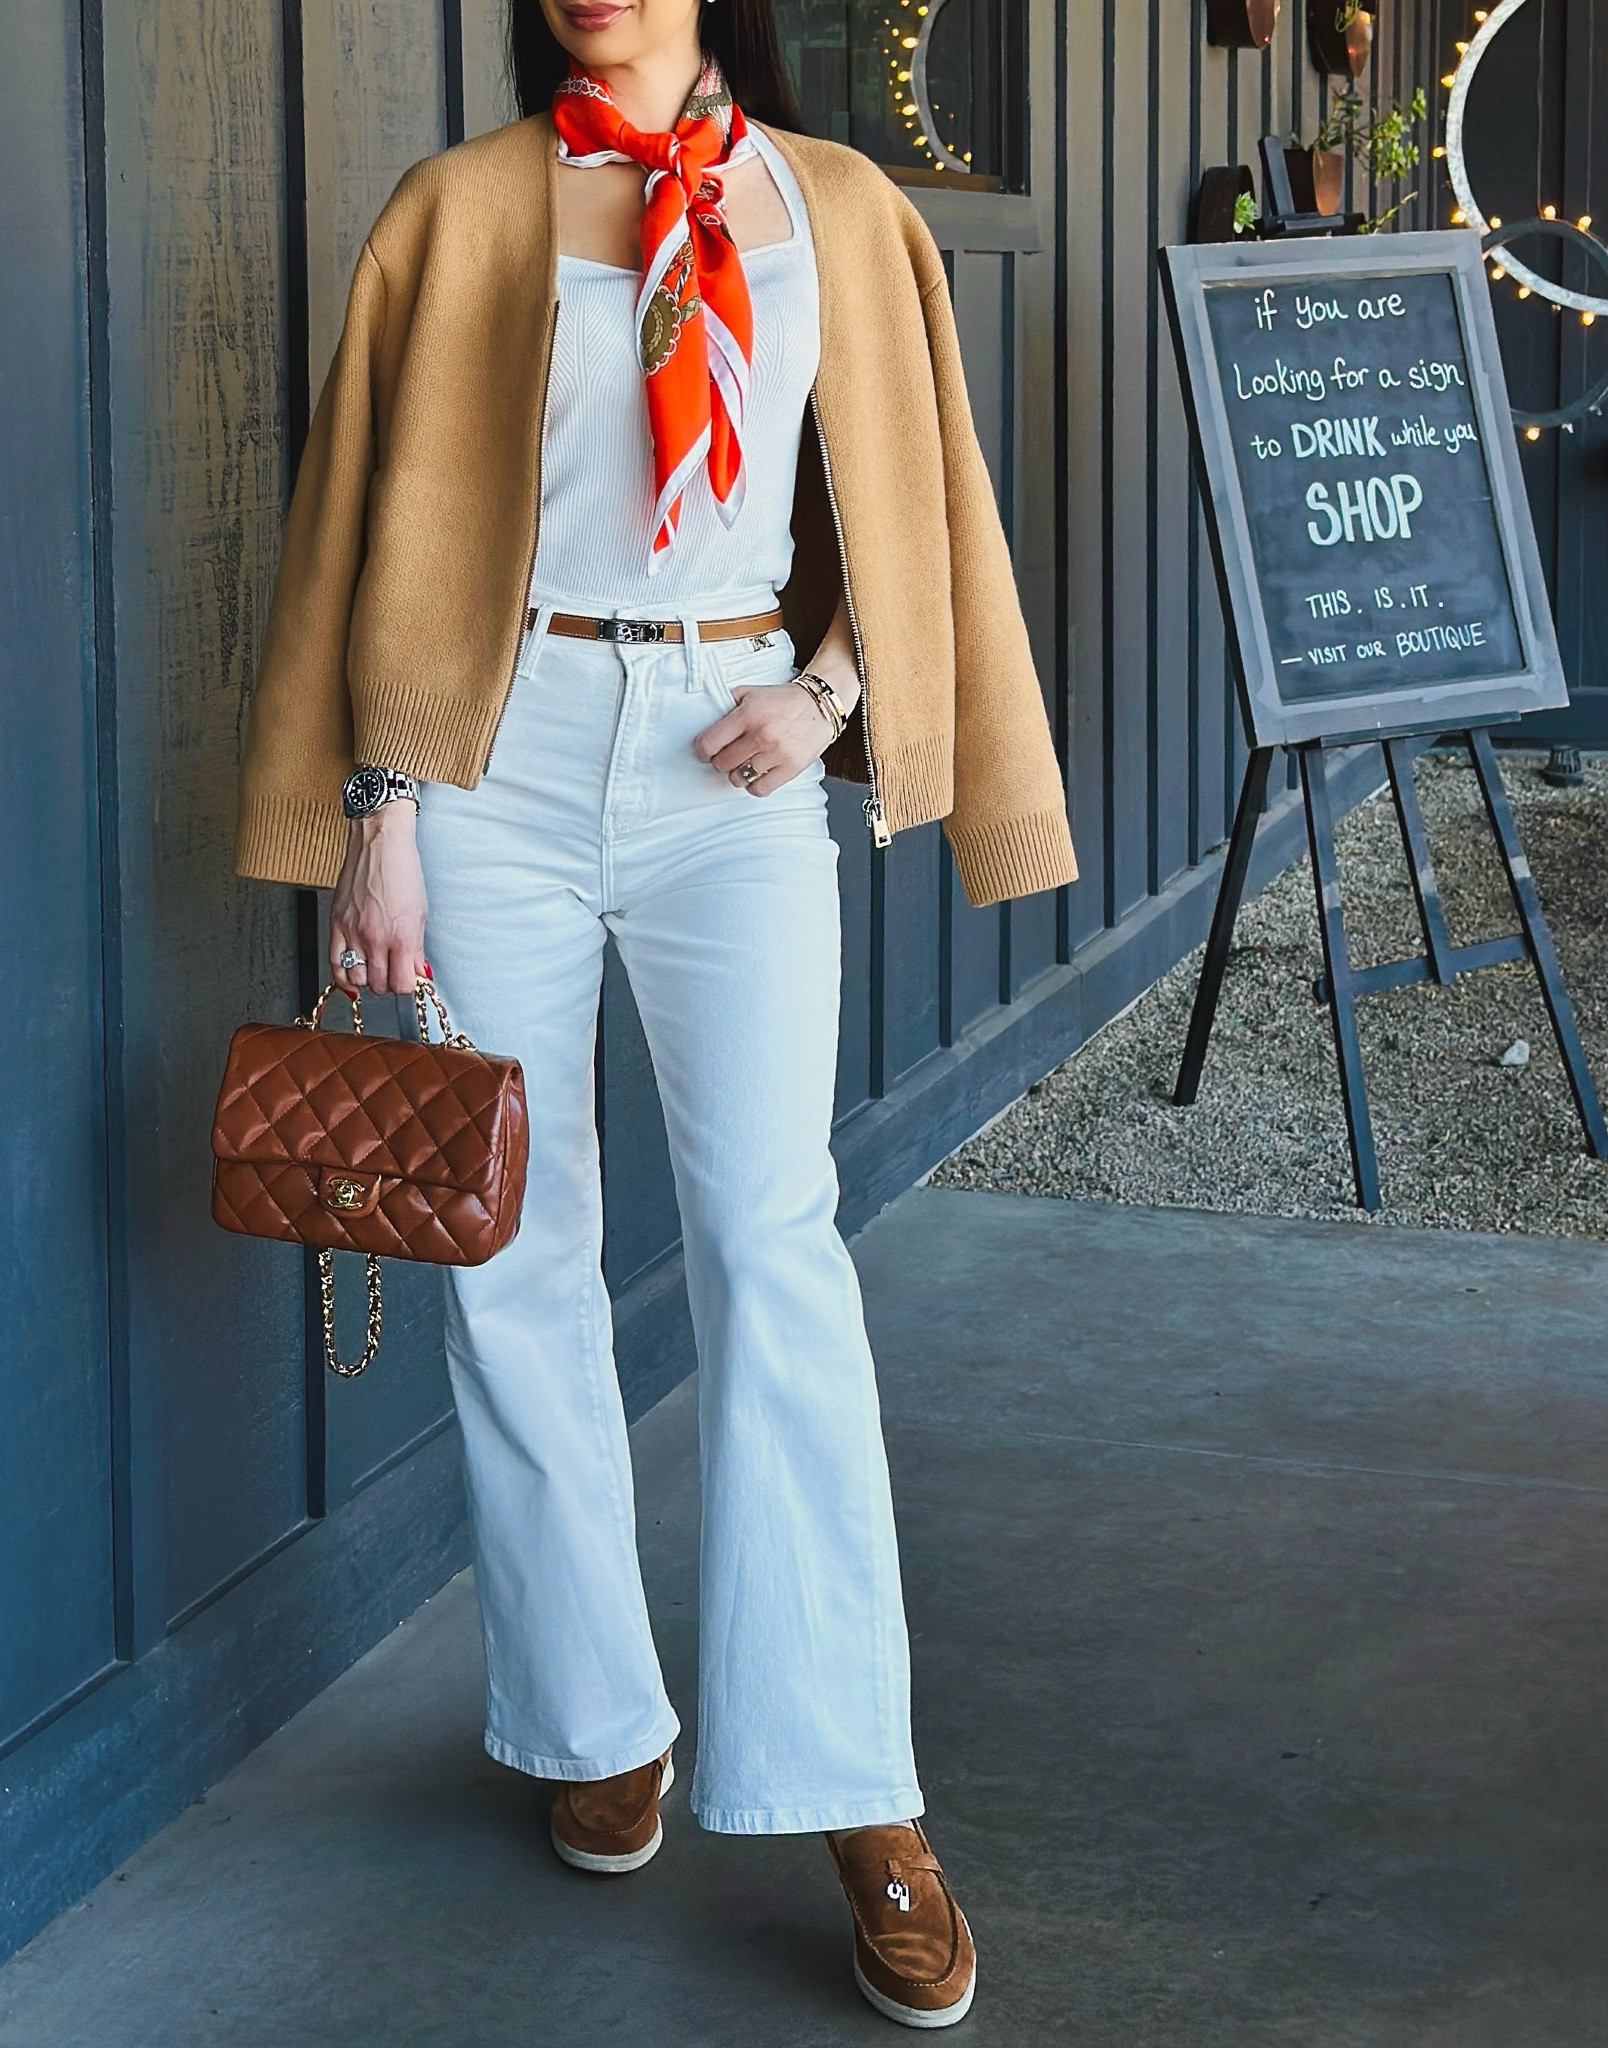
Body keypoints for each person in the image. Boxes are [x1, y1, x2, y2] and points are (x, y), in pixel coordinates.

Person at [234, 0, 1075, 2024]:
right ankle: (594, 1714)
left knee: (771, 1241)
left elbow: (921, 507)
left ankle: (850, 1783)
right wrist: (384, 817)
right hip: (496, 751)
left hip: (731, 757)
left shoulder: (838, 206)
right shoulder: (457, 211)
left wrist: (833, 695)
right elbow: (368, 534)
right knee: (514, 1240)